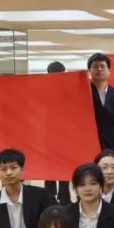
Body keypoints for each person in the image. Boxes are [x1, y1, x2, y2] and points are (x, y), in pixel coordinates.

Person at [88, 52, 114, 160]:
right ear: (89, 71)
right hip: (88, 145)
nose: (99, 69)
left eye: (102, 66)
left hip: (111, 146)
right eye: (95, 66)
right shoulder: (84, 93)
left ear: (109, 70)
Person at [43, 61, 71, 204]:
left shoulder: (43, 89)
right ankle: (63, 196)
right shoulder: (68, 90)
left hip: (49, 134)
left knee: (50, 166)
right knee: (63, 164)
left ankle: (50, 195)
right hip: (63, 134)